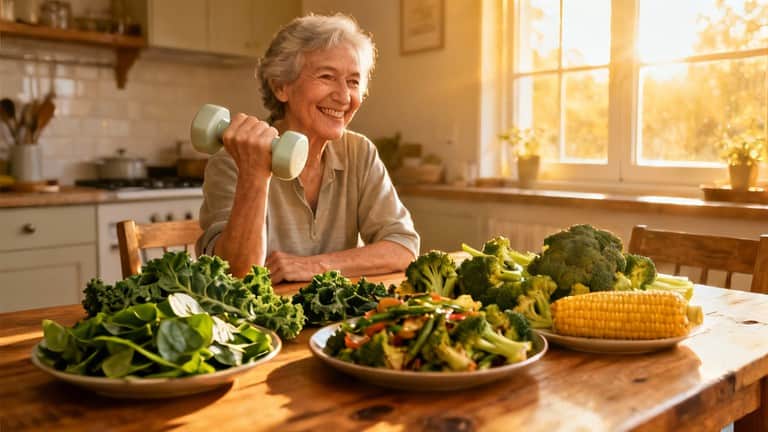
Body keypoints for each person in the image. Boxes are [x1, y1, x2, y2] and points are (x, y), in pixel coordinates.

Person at [197, 13, 420, 282]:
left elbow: (404, 247)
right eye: (327, 76)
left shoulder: (359, 151)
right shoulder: (233, 160)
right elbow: (232, 276)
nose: (343, 96)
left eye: (353, 81)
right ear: (281, 86)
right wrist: (254, 173)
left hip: (340, 321)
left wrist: (316, 266)